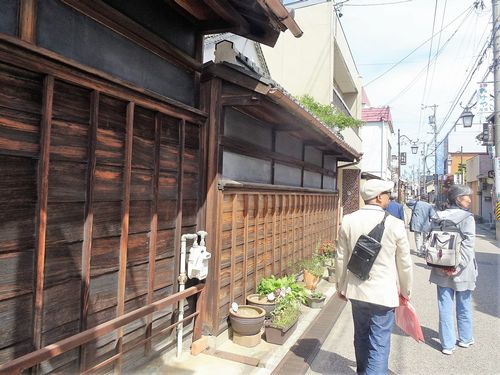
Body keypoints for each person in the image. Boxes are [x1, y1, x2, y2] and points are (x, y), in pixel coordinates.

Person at [336, 179, 413, 374]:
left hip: (356, 290)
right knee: (379, 342)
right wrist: (405, 291)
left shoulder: (348, 220)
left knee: (361, 336)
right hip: (383, 294)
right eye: (387, 193)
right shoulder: (395, 224)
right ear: (379, 197)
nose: (389, 197)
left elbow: (340, 258)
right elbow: (404, 263)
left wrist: (341, 286)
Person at [429, 184, 477, 355]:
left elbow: (431, 241)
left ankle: (447, 344)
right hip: (462, 271)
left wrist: (445, 266)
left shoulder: (437, 215)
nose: (469, 200)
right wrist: (457, 266)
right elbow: (468, 245)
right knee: (464, 304)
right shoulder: (467, 218)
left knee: (444, 307)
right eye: (466, 197)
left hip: (440, 267)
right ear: (458, 199)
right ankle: (465, 338)